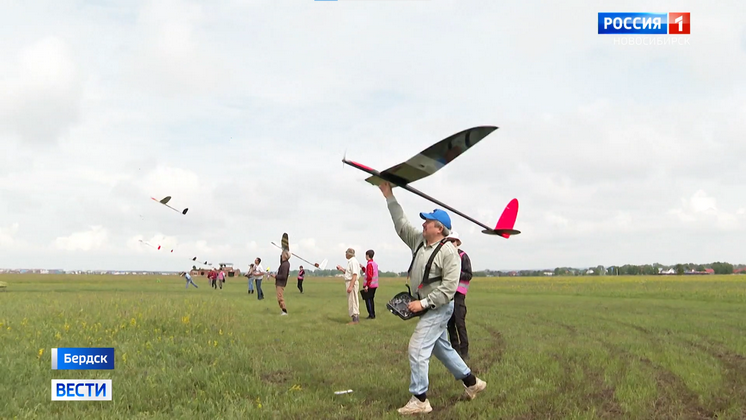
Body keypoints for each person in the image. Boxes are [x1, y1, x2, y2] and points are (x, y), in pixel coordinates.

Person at [377, 181, 486, 415]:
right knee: (442, 348)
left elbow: (448, 290)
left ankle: (420, 399)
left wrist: (423, 303)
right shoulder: (419, 241)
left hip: (439, 309)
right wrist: (389, 195)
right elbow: (401, 224)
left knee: (417, 348)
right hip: (425, 308)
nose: (423, 224)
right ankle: (472, 382)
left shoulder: (450, 253)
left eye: (427, 221)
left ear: (439, 228)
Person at [445, 231, 472, 360]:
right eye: (448, 241)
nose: (451, 244)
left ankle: (464, 351)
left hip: (459, 295)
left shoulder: (463, 256)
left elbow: (468, 275)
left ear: (457, 242)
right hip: (448, 294)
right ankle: (455, 351)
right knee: (450, 324)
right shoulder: (446, 257)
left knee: (460, 323)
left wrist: (456, 273)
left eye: (453, 241)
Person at [336, 248, 360, 324]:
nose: (345, 254)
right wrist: (342, 269)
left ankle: (355, 319)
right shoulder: (351, 262)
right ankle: (354, 318)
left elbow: (354, 275)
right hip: (350, 281)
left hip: (351, 282)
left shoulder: (353, 262)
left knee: (353, 300)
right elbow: (349, 273)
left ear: (349, 254)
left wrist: (351, 286)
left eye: (346, 253)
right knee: (351, 300)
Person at [269, 251, 290, 315]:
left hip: (281, 283)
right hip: (279, 283)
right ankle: (283, 310)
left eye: (282, 254)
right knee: (279, 297)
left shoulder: (285, 265)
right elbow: (281, 260)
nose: (281, 255)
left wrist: (275, 276)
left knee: (280, 297)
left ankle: (284, 311)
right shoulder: (284, 263)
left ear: (285, 256)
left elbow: (283, 276)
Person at [360, 250, 379, 319]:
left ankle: (371, 314)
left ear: (367, 255)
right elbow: (368, 272)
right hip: (374, 285)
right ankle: (372, 314)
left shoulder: (369, 264)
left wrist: (367, 286)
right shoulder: (374, 264)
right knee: (371, 300)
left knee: (368, 300)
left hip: (370, 285)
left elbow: (369, 276)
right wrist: (362, 267)